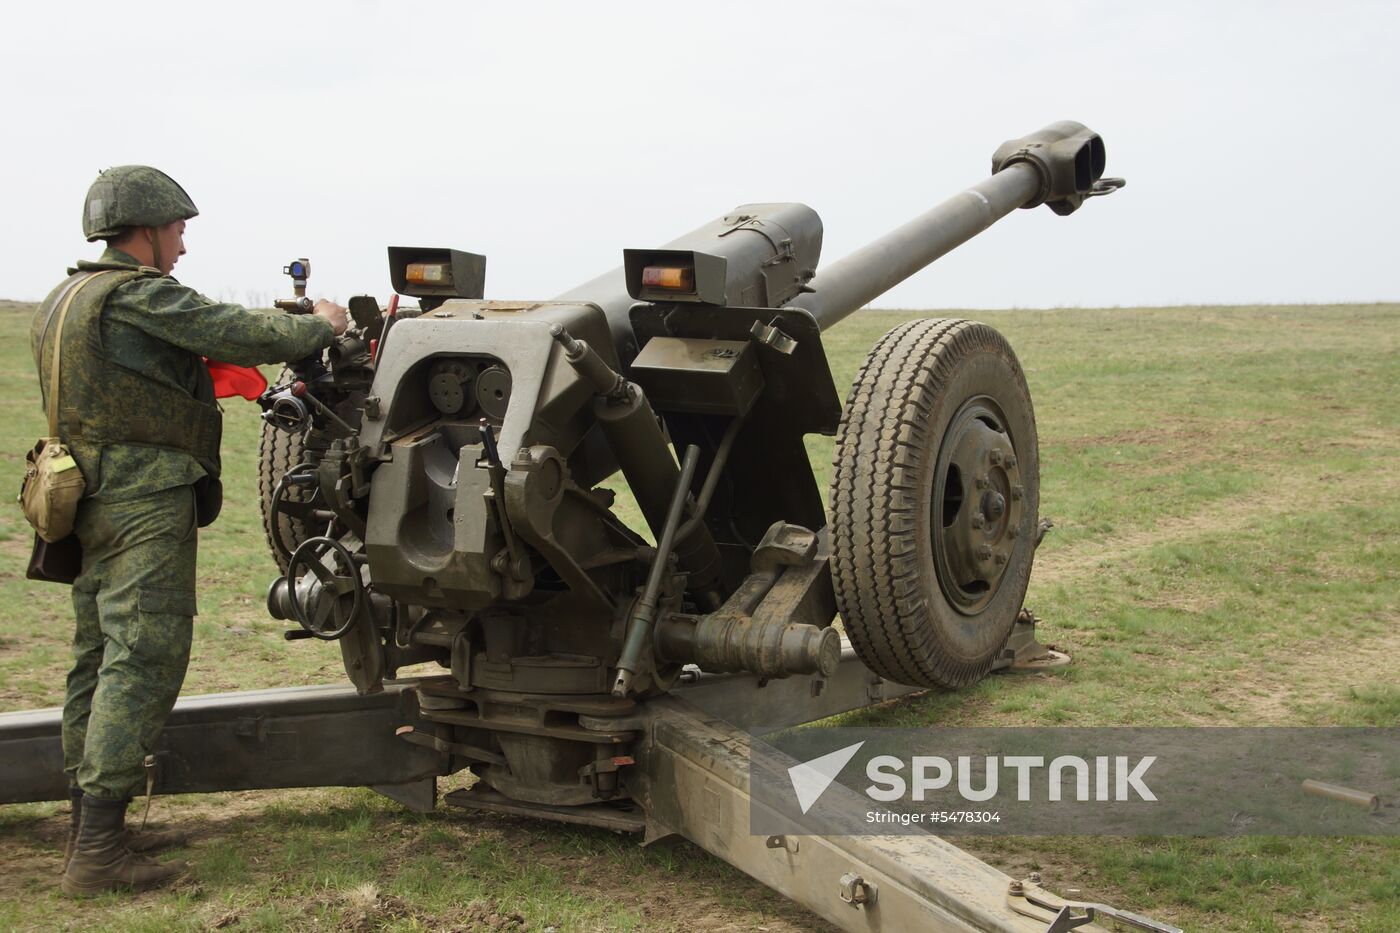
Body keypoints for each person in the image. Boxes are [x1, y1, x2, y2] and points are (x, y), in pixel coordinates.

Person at [30, 165, 349, 896]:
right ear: (143, 230)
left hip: (88, 495)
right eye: (176, 230)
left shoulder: (64, 298)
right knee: (144, 650)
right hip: (142, 497)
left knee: (98, 652)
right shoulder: (134, 294)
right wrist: (317, 325)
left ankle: (90, 825)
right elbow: (229, 328)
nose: (181, 245)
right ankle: (100, 854)